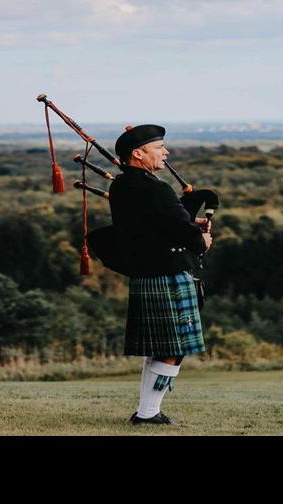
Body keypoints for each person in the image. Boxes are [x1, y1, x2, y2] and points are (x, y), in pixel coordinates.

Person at [108, 124, 212, 426]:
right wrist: (201, 240)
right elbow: (182, 232)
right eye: (159, 147)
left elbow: (155, 223)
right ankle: (148, 413)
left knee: (162, 347)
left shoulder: (122, 185)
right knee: (173, 349)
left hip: (146, 272)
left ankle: (146, 411)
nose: (165, 152)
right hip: (167, 273)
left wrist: (184, 212)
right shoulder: (155, 188)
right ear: (138, 153)